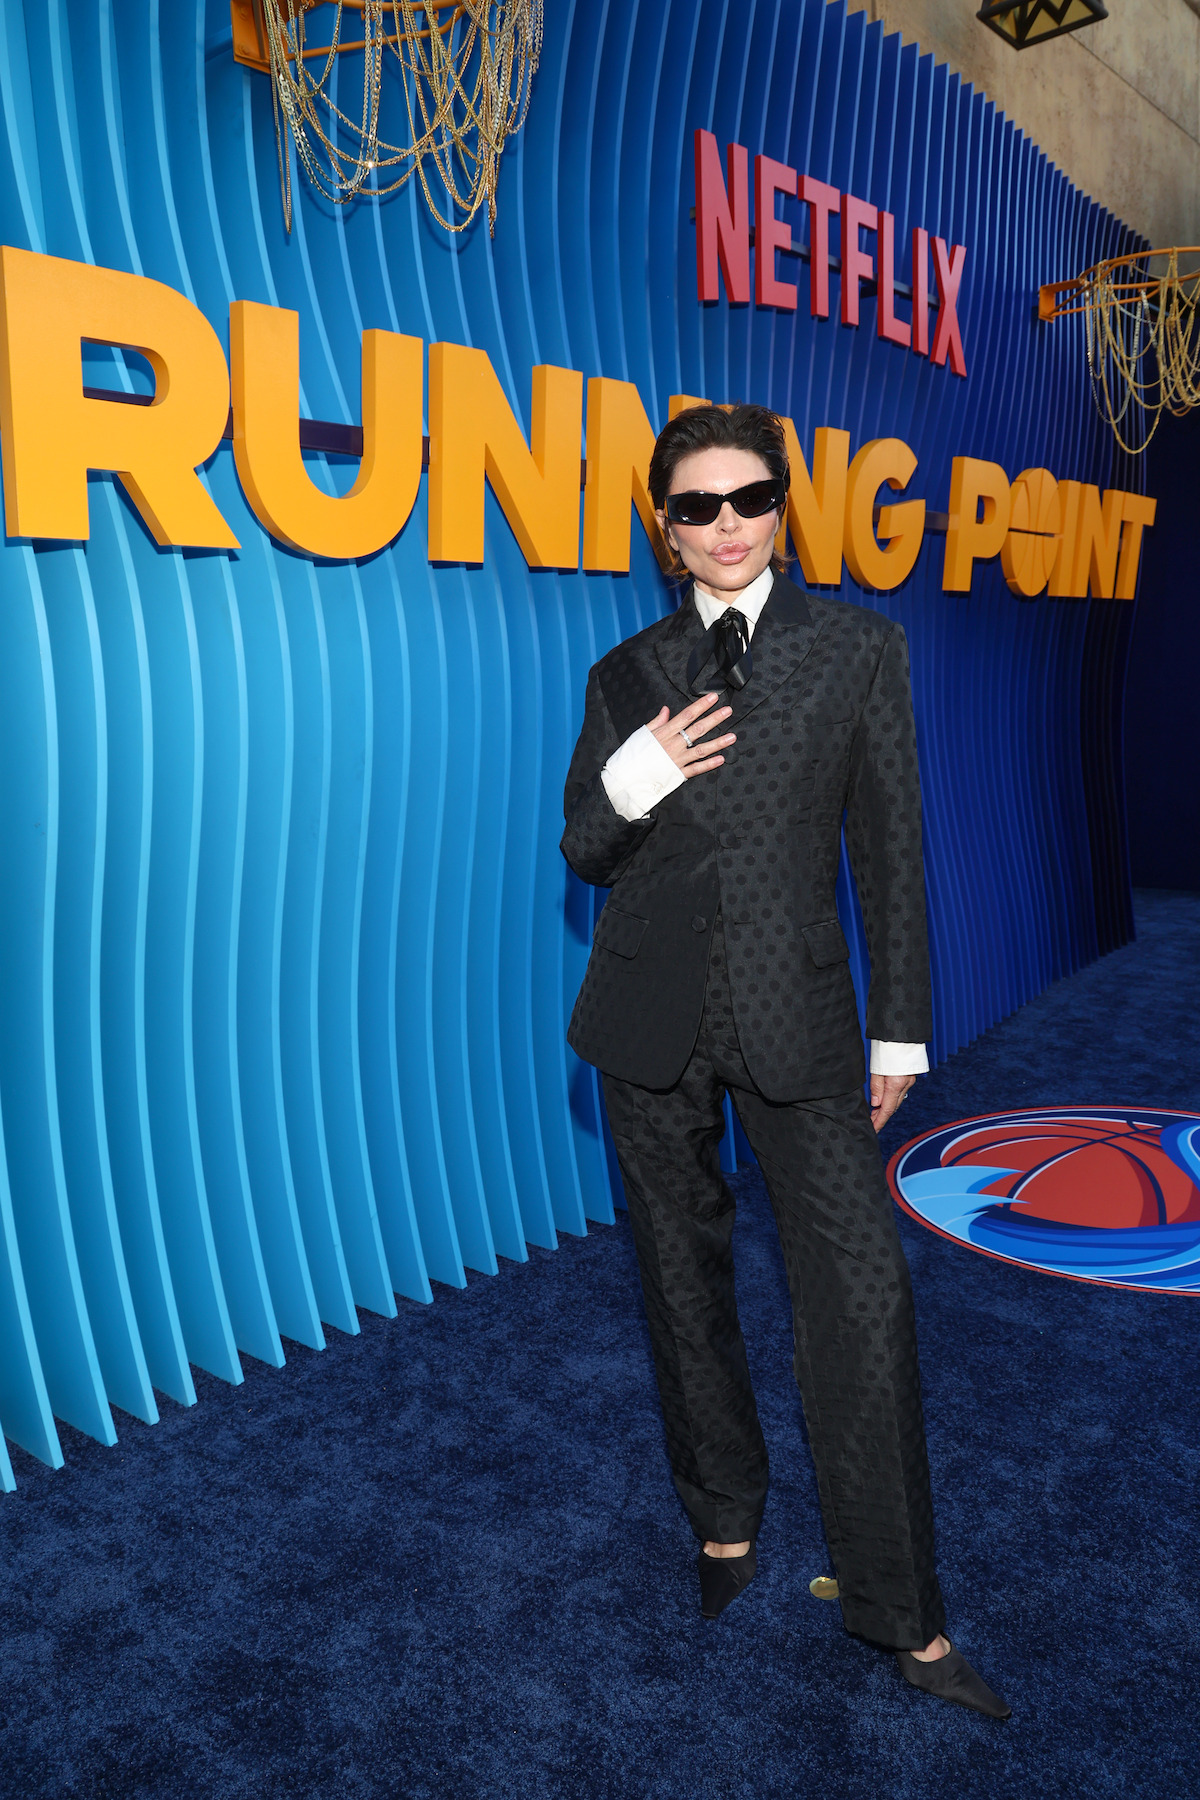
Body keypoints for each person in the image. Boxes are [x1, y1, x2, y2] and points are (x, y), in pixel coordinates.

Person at [560, 403, 1009, 1719]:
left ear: (782, 503)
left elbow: (891, 851)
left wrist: (902, 1029)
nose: (724, 528)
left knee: (862, 1301)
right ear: (662, 523)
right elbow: (584, 848)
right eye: (694, 507)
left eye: (746, 499)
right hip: (646, 1022)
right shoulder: (625, 672)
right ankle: (725, 1520)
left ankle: (902, 1614)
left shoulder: (857, 650)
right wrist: (631, 778)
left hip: (798, 1019)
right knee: (680, 1282)